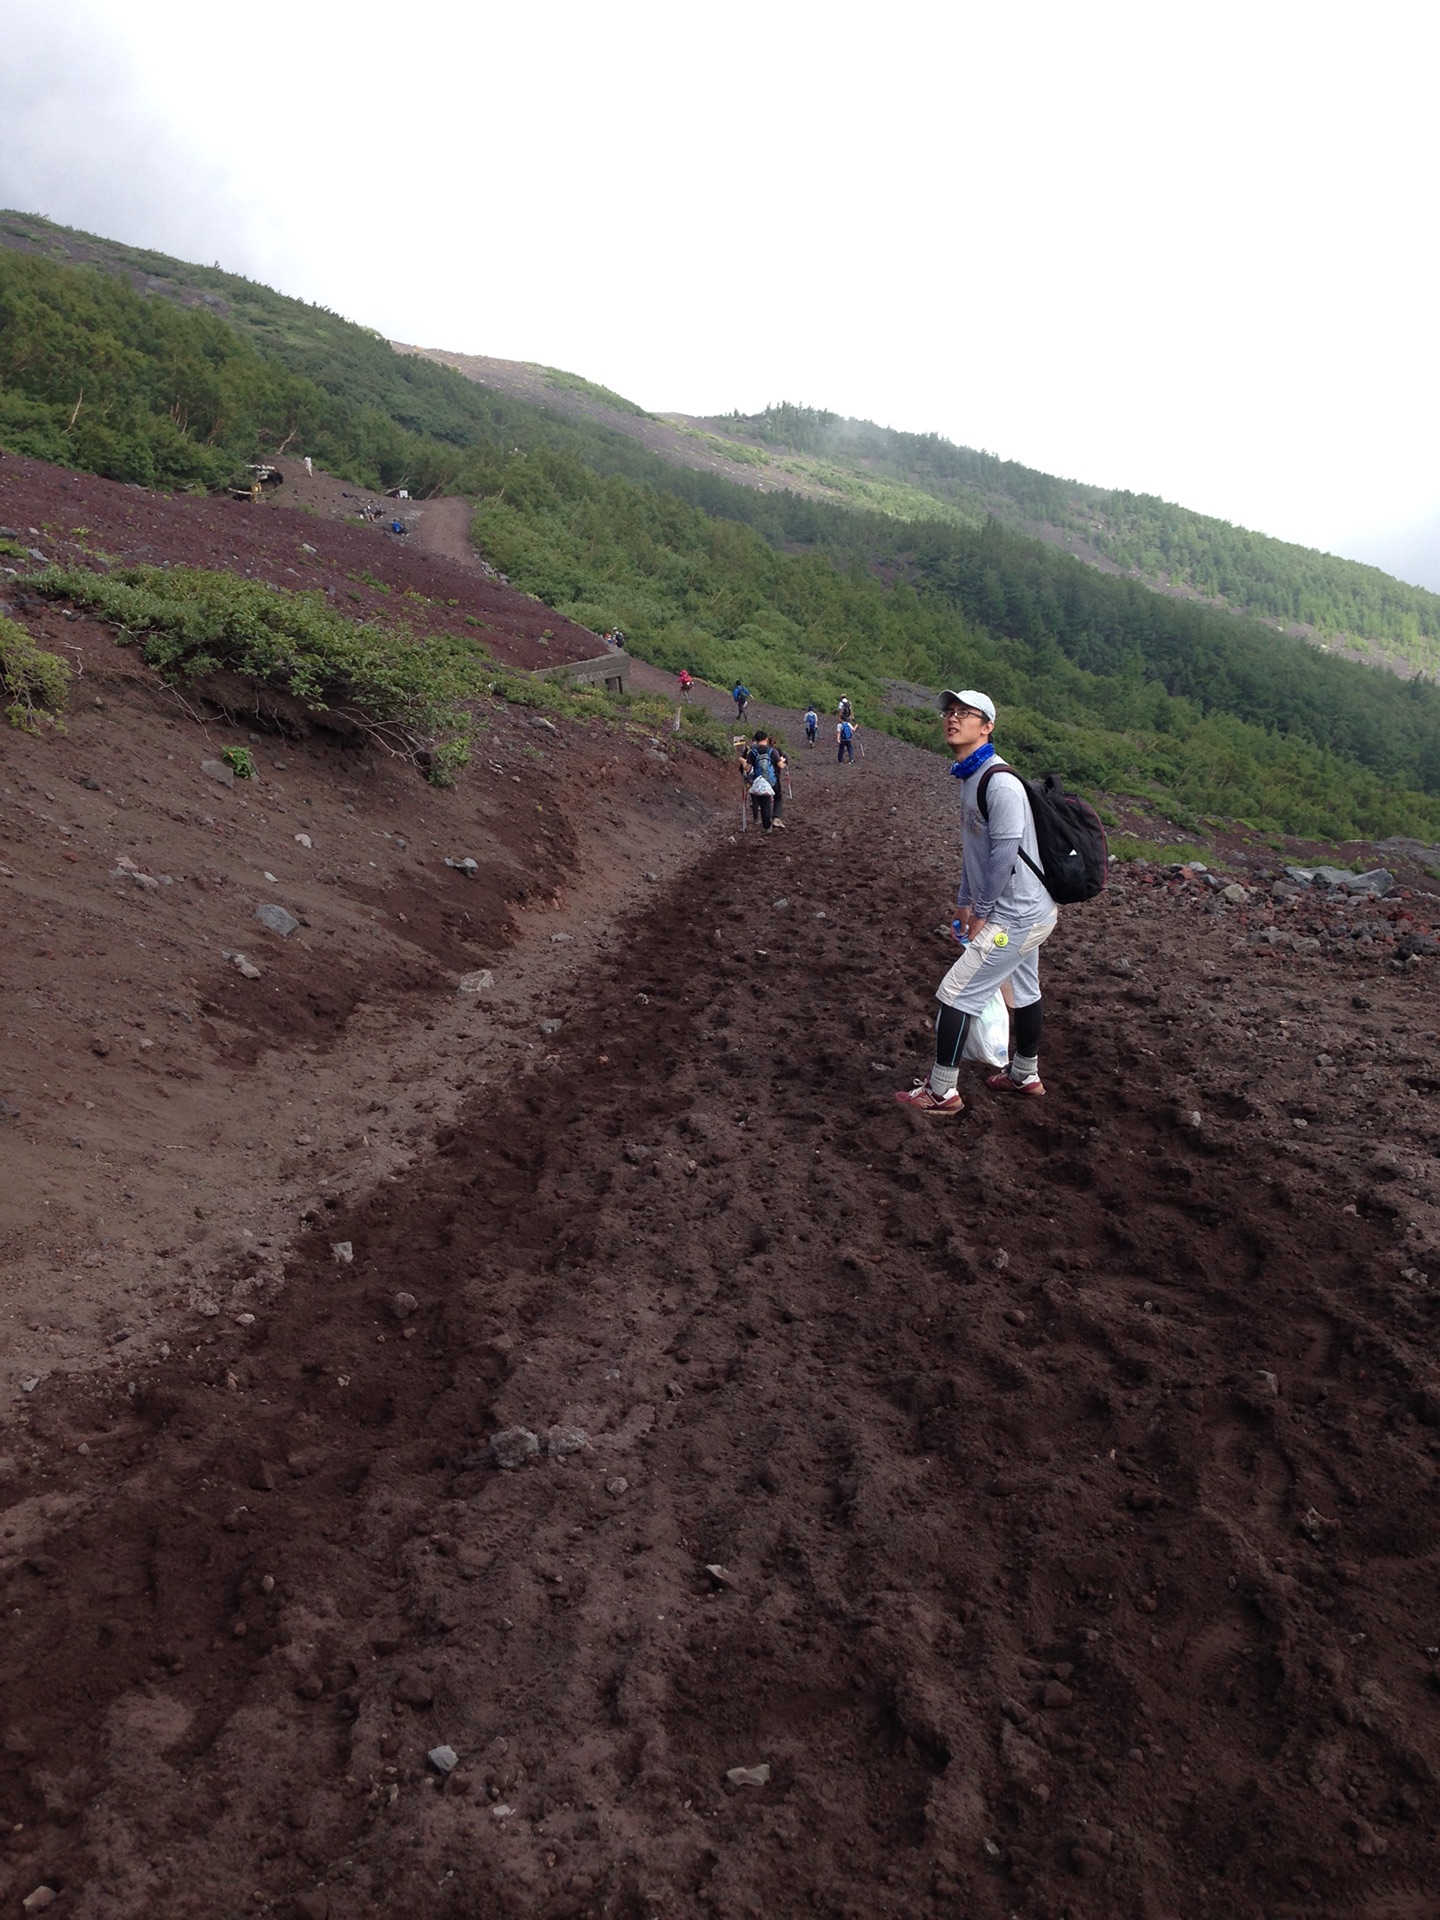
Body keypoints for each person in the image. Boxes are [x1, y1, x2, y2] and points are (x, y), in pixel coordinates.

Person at [894, 690, 1058, 1115]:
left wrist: (983, 914)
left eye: (965, 714)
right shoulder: (972, 777)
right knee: (1024, 990)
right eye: (949, 712)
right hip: (1028, 911)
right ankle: (1025, 1074)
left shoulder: (999, 782)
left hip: (1015, 915)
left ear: (987, 727)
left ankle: (941, 1092)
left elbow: (1003, 854)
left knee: (955, 994)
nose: (953, 719)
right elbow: (976, 850)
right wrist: (964, 902)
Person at [739, 733, 774, 831]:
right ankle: (768, 824)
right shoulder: (770, 750)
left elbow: (747, 768)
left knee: (757, 801)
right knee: (767, 802)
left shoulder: (752, 752)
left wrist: (742, 762)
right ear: (766, 739)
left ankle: (759, 820)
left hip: (756, 780)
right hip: (768, 779)